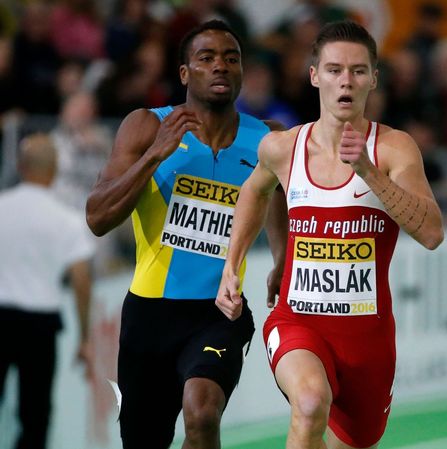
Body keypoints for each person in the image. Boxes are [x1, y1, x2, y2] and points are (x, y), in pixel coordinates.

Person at [216, 20, 444, 449]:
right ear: (315, 75)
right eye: (335, 69)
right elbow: (256, 192)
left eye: (358, 71)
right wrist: (237, 263)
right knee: (308, 403)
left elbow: (431, 233)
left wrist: (369, 173)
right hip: (298, 319)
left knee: (353, 441)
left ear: (374, 79)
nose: (346, 81)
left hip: (367, 339)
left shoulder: (392, 148)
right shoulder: (282, 147)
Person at [85, 20, 287, 449]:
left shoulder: (265, 138)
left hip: (218, 313)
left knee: (202, 411)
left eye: (231, 59)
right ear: (184, 73)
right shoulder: (145, 126)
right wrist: (155, 154)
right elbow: (98, 217)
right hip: (149, 314)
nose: (220, 67)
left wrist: (281, 261)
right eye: (207, 58)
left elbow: (275, 204)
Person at [0, 133, 94, 449]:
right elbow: (81, 280)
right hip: (40, 323)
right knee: (36, 412)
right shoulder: (66, 220)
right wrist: (84, 337)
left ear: (20, 165)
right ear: (54, 170)